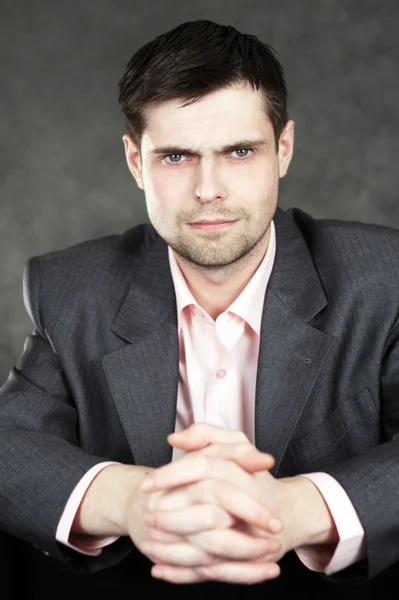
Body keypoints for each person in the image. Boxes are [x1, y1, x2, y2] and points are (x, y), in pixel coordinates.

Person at [1, 18, 399, 599]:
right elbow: (9, 445)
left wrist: (293, 509)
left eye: (239, 151)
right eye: (177, 157)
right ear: (137, 162)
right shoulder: (71, 289)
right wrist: (137, 501)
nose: (208, 188)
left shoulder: (383, 278)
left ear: (282, 150)